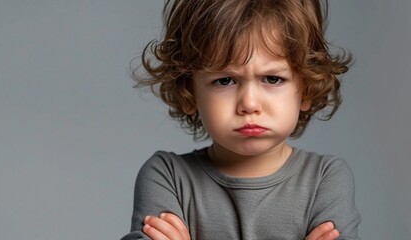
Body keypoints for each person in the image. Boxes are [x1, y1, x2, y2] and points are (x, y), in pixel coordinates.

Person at [121, 0, 361, 239]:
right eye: (225, 81)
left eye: (272, 79)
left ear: (307, 88)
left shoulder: (326, 179)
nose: (249, 104)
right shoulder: (167, 177)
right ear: (190, 92)